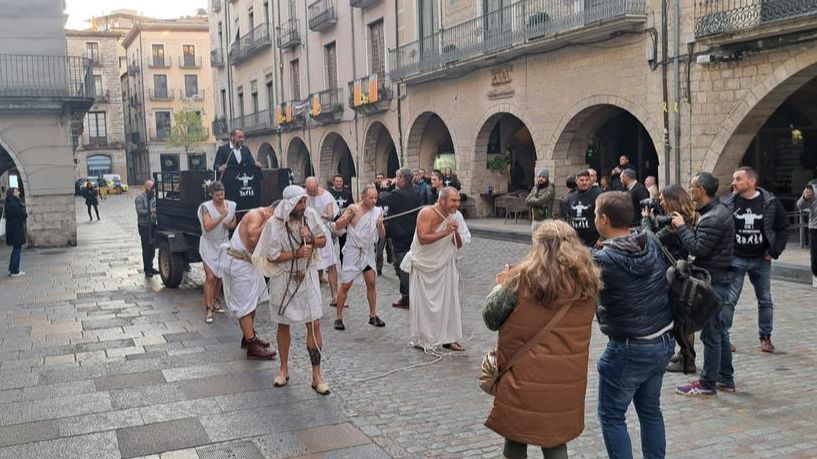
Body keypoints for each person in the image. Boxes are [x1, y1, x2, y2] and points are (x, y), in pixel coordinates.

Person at [482, 220, 601, 459]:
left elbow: (491, 318)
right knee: (555, 441)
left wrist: (501, 285)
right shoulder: (588, 283)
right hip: (566, 376)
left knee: (515, 438)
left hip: (522, 375)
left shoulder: (519, 280)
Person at [592, 191, 674, 459]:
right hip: (662, 340)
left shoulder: (603, 259)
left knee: (612, 415)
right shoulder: (649, 242)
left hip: (629, 347)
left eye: (595, 214)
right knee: (651, 411)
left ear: (603, 219)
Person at [252, 185, 331, 395]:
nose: (303, 206)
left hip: (308, 275)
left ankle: (316, 375)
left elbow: (323, 241)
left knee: (314, 323)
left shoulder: (311, 215)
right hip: (284, 277)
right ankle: (283, 369)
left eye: (304, 202)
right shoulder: (274, 223)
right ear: (289, 204)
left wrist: (312, 239)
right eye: (299, 203)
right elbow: (271, 255)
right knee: (283, 324)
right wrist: (295, 253)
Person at [674, 172, 736, 396]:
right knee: (719, 333)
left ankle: (707, 383)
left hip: (714, 281)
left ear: (700, 189)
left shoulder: (713, 217)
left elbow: (698, 248)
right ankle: (725, 378)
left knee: (711, 335)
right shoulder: (713, 212)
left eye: (691, 186)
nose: (689, 190)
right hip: (718, 278)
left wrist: (681, 227)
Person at [721, 167, 788, 353]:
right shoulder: (728, 203)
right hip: (736, 258)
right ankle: (723, 337)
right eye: (734, 179)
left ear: (751, 182)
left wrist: (774, 251)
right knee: (729, 300)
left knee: (765, 299)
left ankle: (765, 337)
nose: (733, 183)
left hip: (761, 259)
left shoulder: (770, 202)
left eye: (738, 179)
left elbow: (783, 228)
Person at [401, 187, 471, 351]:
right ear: (442, 200)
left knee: (449, 301)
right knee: (425, 304)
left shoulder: (457, 217)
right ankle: (424, 338)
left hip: (445, 264)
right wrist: (446, 231)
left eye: (458, 200)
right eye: (453, 200)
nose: (457, 204)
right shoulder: (426, 213)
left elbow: (459, 245)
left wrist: (455, 233)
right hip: (425, 264)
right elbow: (423, 238)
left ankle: (450, 338)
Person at [642, 185, 700, 374]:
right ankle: (685, 353)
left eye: (662, 199)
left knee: (680, 320)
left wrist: (645, 220)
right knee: (683, 319)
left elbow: (651, 239)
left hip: (675, 275)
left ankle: (687, 358)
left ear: (672, 200)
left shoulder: (676, 223)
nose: (659, 202)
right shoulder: (688, 216)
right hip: (682, 272)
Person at [220, 203, 277, 359]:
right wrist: (268, 221)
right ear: (271, 211)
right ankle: (252, 346)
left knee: (252, 301)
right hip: (239, 263)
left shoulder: (266, 217)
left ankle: (248, 336)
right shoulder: (255, 215)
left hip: (250, 264)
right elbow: (252, 239)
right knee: (245, 305)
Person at [332, 185, 387, 330]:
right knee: (345, 284)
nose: (374, 201)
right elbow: (337, 226)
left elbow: (382, 235)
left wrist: (380, 225)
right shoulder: (353, 209)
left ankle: (373, 315)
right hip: (353, 251)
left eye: (376, 197)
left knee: (371, 282)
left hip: (367, 251)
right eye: (371, 198)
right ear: (363, 197)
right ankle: (338, 317)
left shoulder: (377, 212)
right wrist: (348, 217)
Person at [378, 168, 423, 309]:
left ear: (403, 178)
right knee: (412, 265)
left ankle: (407, 298)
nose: (396, 180)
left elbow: (379, 200)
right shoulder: (416, 191)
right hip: (413, 233)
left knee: (402, 266)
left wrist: (385, 187)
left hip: (400, 234)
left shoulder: (398, 193)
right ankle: (415, 294)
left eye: (397, 177)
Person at [198, 181, 236, 323]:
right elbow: (207, 226)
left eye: (222, 194)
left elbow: (234, 223)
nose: (220, 197)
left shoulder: (231, 205)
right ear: (211, 195)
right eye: (217, 195)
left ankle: (215, 301)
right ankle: (208, 309)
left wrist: (229, 224)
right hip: (209, 244)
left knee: (220, 275)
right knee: (210, 277)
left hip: (223, 243)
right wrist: (221, 217)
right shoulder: (206, 208)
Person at [304, 176, 340, 305]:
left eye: (314, 190)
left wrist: (324, 215)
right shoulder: (303, 195)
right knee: (309, 265)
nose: (312, 193)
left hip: (323, 232)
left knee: (331, 264)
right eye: (310, 191)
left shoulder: (326, 195)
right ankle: (311, 299)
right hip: (307, 233)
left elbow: (330, 214)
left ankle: (335, 296)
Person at [561, 170, 602, 247]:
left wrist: (601, 238)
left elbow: (603, 216)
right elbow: (565, 218)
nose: (584, 182)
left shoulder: (598, 195)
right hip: (575, 239)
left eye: (586, 180)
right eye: (581, 180)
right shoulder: (570, 198)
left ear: (590, 181)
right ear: (577, 181)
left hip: (593, 240)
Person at [328, 175, 354, 263]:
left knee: (344, 245)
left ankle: (344, 263)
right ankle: (330, 264)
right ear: (333, 182)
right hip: (332, 224)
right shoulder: (329, 193)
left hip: (344, 224)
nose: (338, 183)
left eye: (340, 181)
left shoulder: (348, 193)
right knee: (329, 246)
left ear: (342, 182)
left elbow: (351, 207)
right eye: (337, 181)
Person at [796, 179, 817, 288]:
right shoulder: (812, 185)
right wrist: (805, 198)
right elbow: (799, 206)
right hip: (815, 226)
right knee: (815, 255)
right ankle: (816, 276)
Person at [135, 180, 157, 277]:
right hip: (144, 225)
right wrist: (151, 211)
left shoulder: (154, 198)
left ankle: (151, 266)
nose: (153, 190)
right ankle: (147, 269)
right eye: (152, 187)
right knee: (146, 247)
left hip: (153, 225)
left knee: (152, 248)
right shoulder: (140, 198)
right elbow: (140, 211)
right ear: (147, 187)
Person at [4, 188, 27, 277]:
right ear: (12, 194)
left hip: (13, 229)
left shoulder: (10, 202)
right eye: (16, 191)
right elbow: (21, 215)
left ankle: (12, 269)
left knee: (16, 249)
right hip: (16, 229)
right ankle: (15, 271)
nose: (19, 192)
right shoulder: (13, 204)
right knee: (17, 250)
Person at [374, 172, 392, 275]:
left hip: (390, 224)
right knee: (379, 248)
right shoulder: (375, 196)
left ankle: (392, 261)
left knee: (391, 246)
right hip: (380, 225)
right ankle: (379, 268)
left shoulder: (392, 195)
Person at [526, 169, 555, 233]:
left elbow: (540, 201)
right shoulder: (535, 188)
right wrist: (535, 200)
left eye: (543, 177)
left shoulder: (550, 188)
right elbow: (527, 201)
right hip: (535, 221)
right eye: (539, 177)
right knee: (535, 242)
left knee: (546, 242)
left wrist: (533, 199)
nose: (540, 179)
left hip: (546, 221)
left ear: (547, 178)